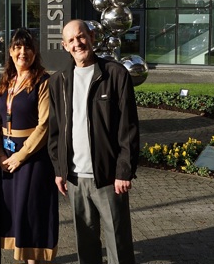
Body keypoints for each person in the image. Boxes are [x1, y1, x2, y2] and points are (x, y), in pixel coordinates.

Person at [48, 19, 140, 264]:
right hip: (75, 178)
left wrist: (124, 171)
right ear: (64, 46)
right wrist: (60, 170)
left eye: (81, 37)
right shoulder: (58, 81)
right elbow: (55, 131)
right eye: (71, 40)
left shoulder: (115, 74)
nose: (78, 43)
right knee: (85, 243)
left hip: (109, 177)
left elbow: (128, 128)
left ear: (91, 37)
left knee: (117, 242)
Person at [0, 28, 59, 263]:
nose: (23, 52)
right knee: (16, 211)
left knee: (32, 212)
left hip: (32, 158)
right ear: (10, 51)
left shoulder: (43, 80)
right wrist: (0, 154)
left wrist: (19, 156)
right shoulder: (6, 81)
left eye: (28, 47)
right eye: (18, 47)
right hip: (8, 157)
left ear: (35, 52)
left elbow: (45, 125)